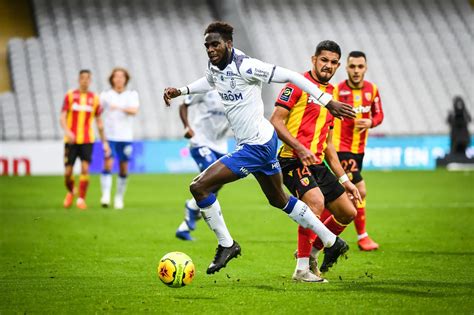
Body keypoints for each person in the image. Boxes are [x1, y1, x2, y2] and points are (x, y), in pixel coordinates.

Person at [163, 21, 356, 275]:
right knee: (280, 200)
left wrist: (326, 101)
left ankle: (227, 245)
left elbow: (291, 76)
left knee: (199, 186)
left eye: (215, 44)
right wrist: (182, 90)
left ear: (229, 44)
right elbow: (209, 80)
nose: (210, 49)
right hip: (260, 141)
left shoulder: (247, 66)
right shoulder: (215, 65)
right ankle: (332, 241)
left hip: (257, 146)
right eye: (207, 45)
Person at [270, 40, 361, 282]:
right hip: (292, 159)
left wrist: (345, 180)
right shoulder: (297, 85)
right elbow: (276, 121)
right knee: (315, 202)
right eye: (324, 60)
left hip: (318, 163)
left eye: (333, 62)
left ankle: (312, 254)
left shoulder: (331, 96)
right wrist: (300, 149)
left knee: (348, 212)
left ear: (338, 65)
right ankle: (301, 270)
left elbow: (329, 145)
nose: (328, 66)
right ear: (314, 60)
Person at [328, 51, 384, 251]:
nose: (356, 70)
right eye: (352, 66)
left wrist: (370, 122)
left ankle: (320, 233)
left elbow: (379, 115)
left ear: (365, 68)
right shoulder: (337, 90)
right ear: (346, 68)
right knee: (359, 190)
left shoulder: (372, 90)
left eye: (360, 66)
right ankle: (362, 237)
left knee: (340, 195)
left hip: (359, 150)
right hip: (340, 149)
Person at [175, 90, 230, 241]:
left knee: (214, 185)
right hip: (200, 141)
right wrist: (187, 127)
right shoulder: (207, 88)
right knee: (210, 179)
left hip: (221, 145)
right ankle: (192, 208)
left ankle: (185, 225)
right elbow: (183, 104)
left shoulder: (235, 91)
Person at [60, 69, 110, 210]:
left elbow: (99, 122)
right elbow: (62, 117)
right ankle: (71, 191)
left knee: (85, 169)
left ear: (90, 80)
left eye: (88, 78)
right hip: (71, 140)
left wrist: (104, 142)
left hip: (88, 139)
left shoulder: (94, 99)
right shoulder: (70, 96)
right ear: (79, 79)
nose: (85, 80)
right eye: (83, 78)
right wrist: (68, 132)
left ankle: (81, 199)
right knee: (68, 172)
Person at [99, 68, 140, 209]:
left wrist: (119, 107)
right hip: (110, 137)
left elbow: (134, 111)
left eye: (122, 76)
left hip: (125, 137)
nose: (119, 79)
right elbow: (97, 112)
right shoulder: (105, 95)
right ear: (112, 79)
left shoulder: (132, 94)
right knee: (108, 164)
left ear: (126, 79)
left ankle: (119, 197)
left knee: (123, 168)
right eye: (116, 76)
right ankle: (105, 196)